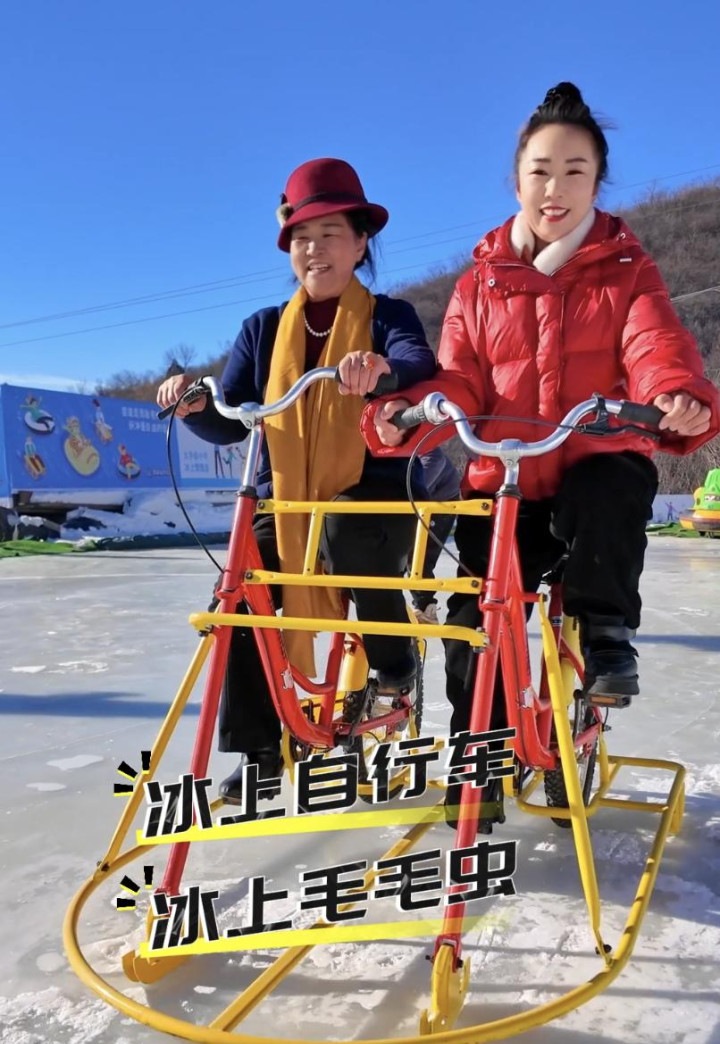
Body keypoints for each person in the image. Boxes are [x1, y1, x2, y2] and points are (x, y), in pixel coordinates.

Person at [365, 83, 720, 749]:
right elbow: (460, 378)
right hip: (507, 482)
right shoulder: (479, 284)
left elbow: (655, 343)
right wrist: (412, 413)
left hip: (595, 459)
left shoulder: (627, 271)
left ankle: (607, 637)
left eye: (575, 172)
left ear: (597, 183)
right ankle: (484, 750)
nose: (555, 190)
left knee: (609, 488)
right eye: (541, 172)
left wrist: (674, 393)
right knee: (476, 617)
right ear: (517, 180)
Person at [157, 158, 436, 803]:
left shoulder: (388, 315)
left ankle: (394, 666)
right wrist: (197, 405)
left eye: (331, 234)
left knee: (347, 532)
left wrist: (381, 370)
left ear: (360, 243)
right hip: (284, 499)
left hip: (371, 488)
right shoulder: (262, 329)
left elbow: (416, 361)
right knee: (242, 586)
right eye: (302, 237)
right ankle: (259, 750)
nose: (315, 249)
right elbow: (233, 416)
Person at [409, 448, 460, 624]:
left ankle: (426, 609)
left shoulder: (430, 454)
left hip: (441, 504)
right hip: (421, 504)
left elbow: (416, 490)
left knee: (419, 556)